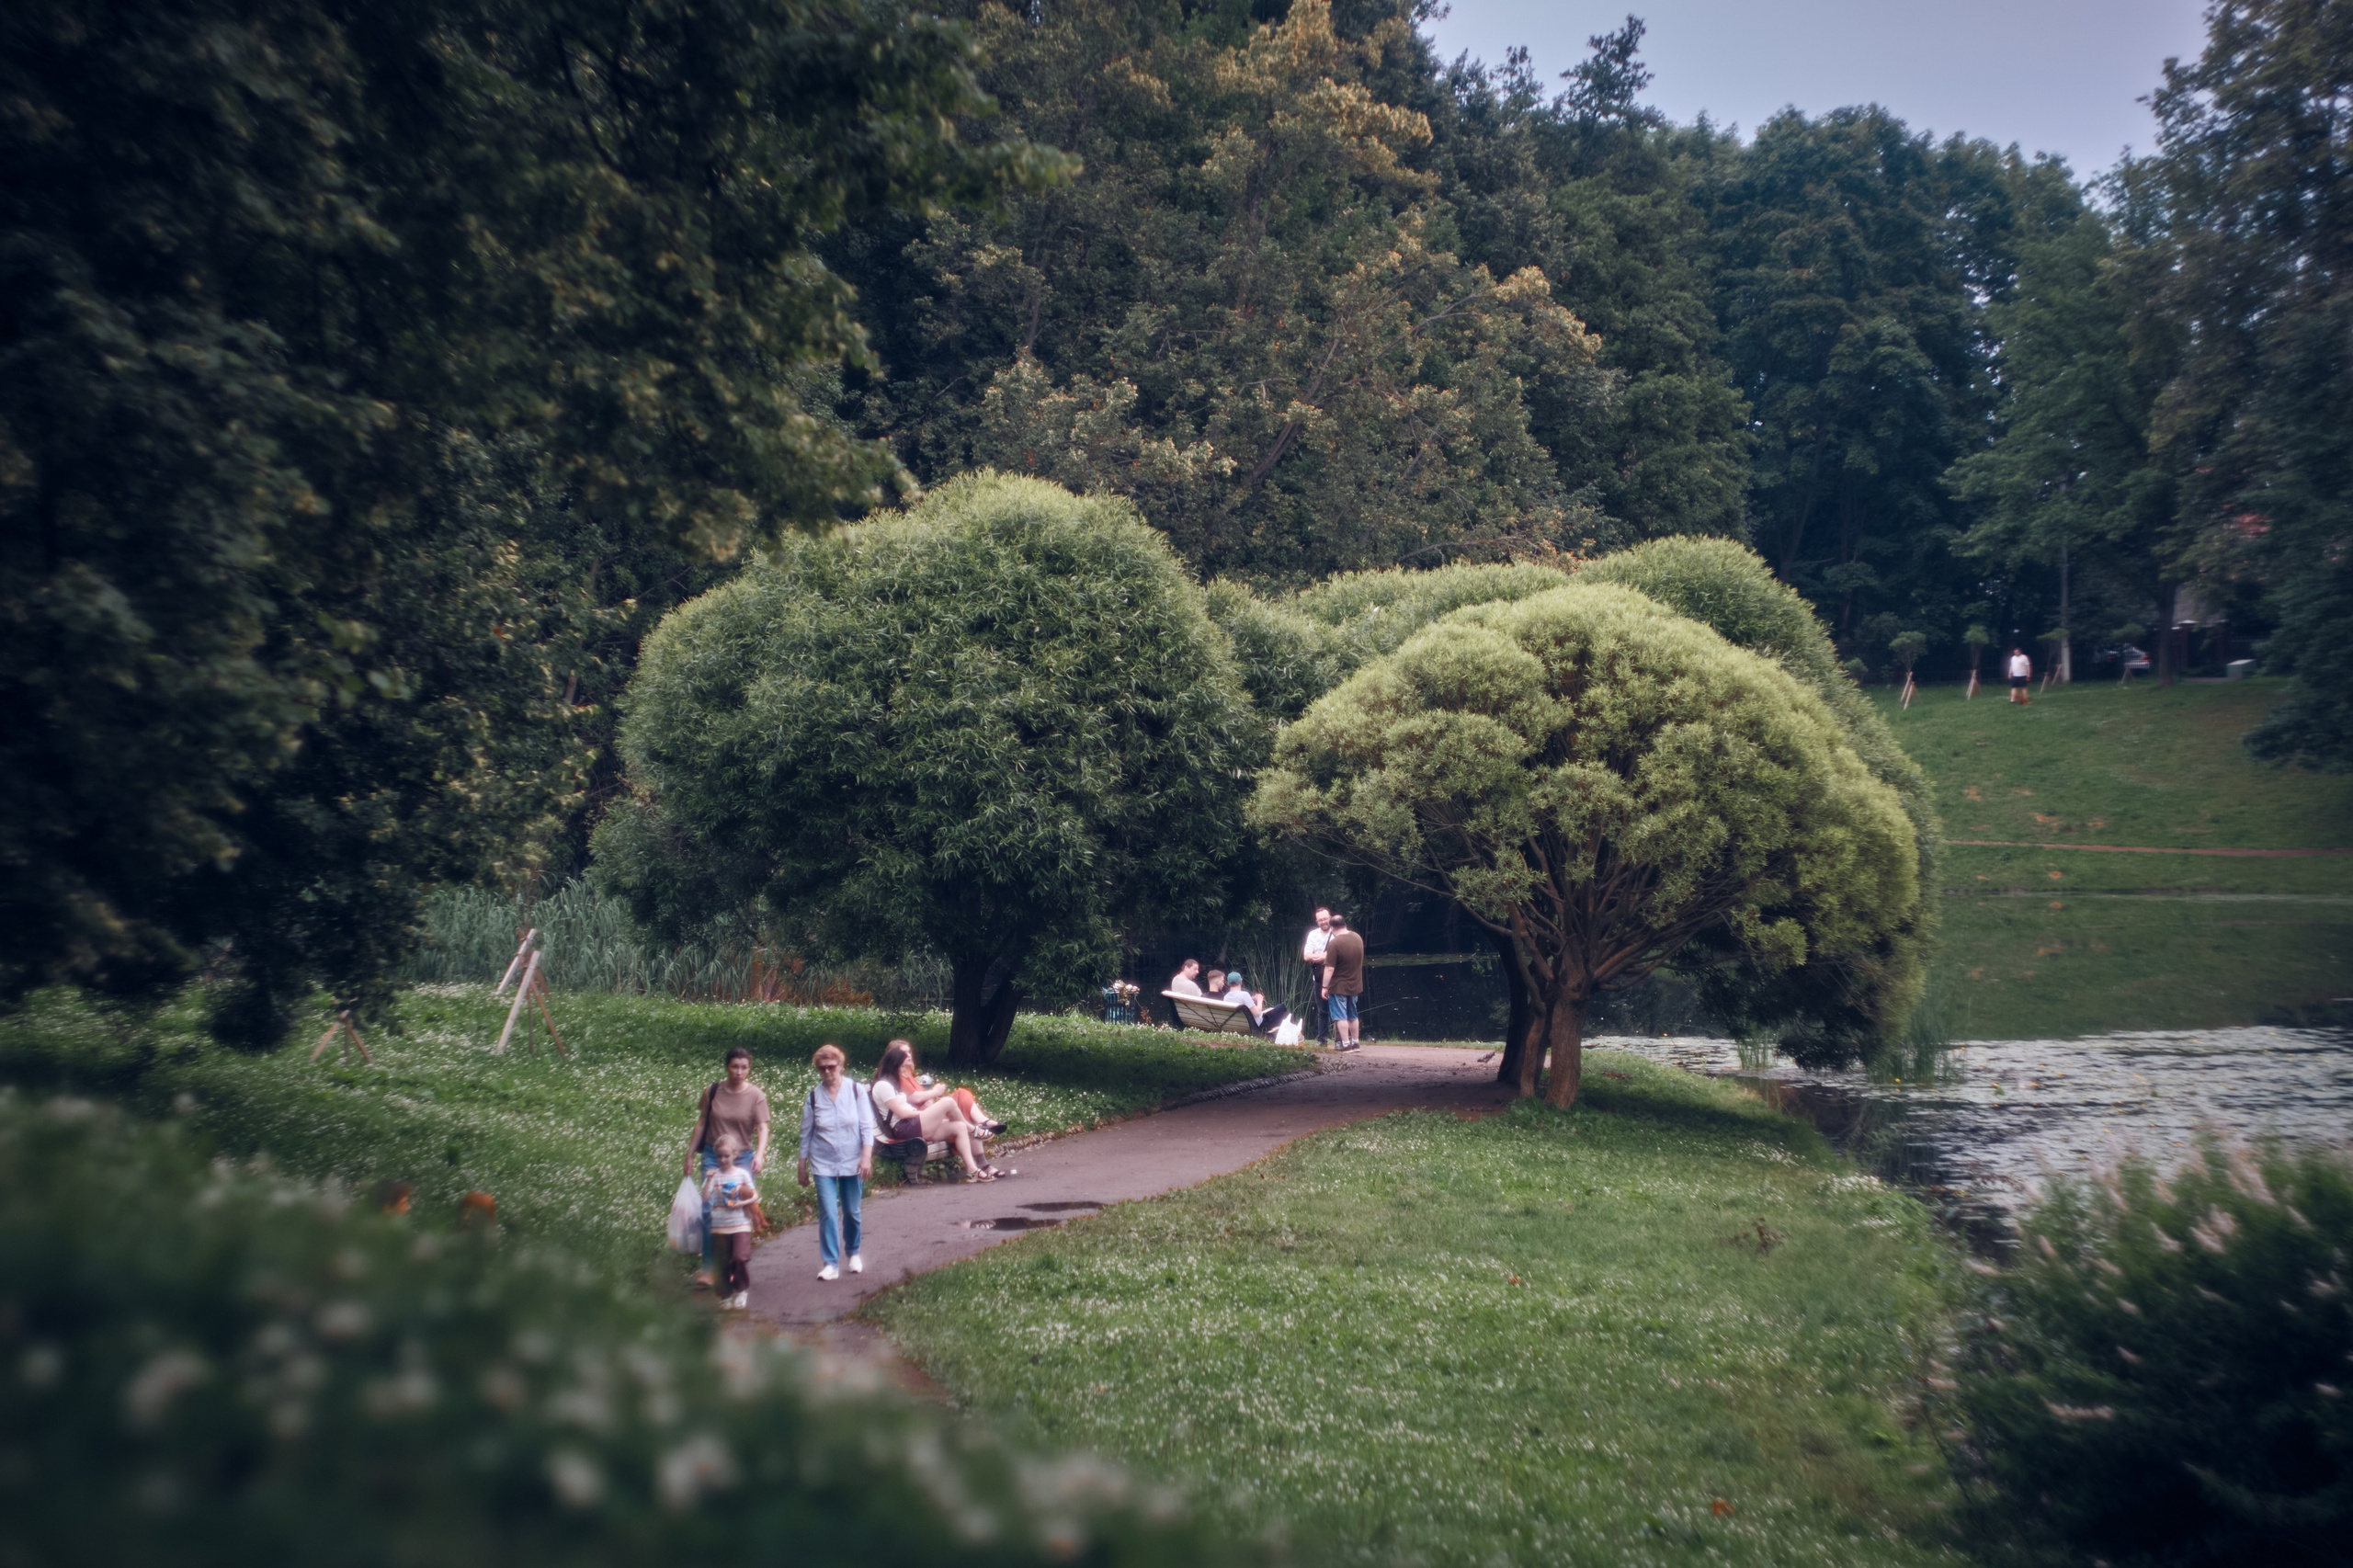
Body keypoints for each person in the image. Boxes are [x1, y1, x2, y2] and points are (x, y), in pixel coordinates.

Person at [683, 1047, 770, 1288]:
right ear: (727, 1067)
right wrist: (689, 1154)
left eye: (744, 1067)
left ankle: (735, 1262)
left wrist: (760, 1155)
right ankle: (709, 1270)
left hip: (742, 1157)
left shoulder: (756, 1096)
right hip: (713, 1155)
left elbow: (763, 1128)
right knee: (710, 1208)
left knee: (739, 1210)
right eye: (734, 1066)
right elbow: (702, 1122)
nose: (739, 1072)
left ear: (749, 1069)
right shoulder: (713, 1091)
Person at [798, 1043, 873, 1282]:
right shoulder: (813, 1097)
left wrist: (866, 1157)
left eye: (831, 1067)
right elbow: (806, 1132)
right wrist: (802, 1165)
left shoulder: (856, 1091)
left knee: (852, 1211)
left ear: (841, 1066)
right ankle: (830, 1263)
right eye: (822, 1068)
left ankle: (853, 1252)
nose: (828, 1072)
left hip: (852, 1160)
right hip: (823, 1162)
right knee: (829, 1212)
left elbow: (866, 1126)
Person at [871, 1040, 996, 1182]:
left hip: (914, 1123)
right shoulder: (883, 1085)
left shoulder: (891, 1083)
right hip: (905, 1127)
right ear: (894, 1065)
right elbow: (902, 1113)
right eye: (902, 1066)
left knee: (959, 1127)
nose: (905, 1070)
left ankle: (972, 1170)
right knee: (948, 1102)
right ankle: (972, 1129)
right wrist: (925, 1114)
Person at [890, 1037, 1006, 1134]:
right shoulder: (897, 1076)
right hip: (925, 1120)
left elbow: (921, 1098)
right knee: (958, 1098)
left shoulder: (908, 1074)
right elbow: (915, 1098)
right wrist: (935, 1092)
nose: (908, 1055)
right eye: (903, 1053)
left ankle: (982, 1122)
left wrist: (930, 1098)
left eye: (909, 1052)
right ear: (894, 1056)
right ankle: (981, 1124)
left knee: (962, 1093)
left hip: (929, 1115)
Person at [701, 1134, 758, 1310]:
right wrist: (709, 1180)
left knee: (740, 1257)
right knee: (722, 1261)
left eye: (726, 1156)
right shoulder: (715, 1176)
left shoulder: (742, 1174)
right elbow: (704, 1199)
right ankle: (724, 1295)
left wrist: (743, 1202)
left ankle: (741, 1290)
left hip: (740, 1223)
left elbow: (755, 1195)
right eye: (719, 1156)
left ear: (735, 1155)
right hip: (719, 1226)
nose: (723, 1160)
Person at [1321, 913, 1365, 1051]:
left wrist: (1324, 987)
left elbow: (1329, 969)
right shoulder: (1357, 937)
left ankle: (1345, 1045)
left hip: (1338, 986)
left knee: (1340, 1016)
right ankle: (1356, 1043)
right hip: (1355, 984)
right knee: (1353, 1015)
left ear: (1332, 928)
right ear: (1345, 924)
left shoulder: (1335, 943)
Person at [1219, 970, 1290, 1036]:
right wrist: (1260, 1000)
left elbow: (1240, 1001)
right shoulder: (1244, 995)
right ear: (1240, 982)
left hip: (1240, 1024)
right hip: (1257, 1025)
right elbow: (1257, 1013)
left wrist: (1250, 999)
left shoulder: (1226, 997)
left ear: (1228, 983)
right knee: (1281, 1007)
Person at [1302, 907, 1334, 1045]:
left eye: (1325, 918)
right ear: (1317, 921)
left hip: (1336, 978)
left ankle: (1341, 1040)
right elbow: (1306, 956)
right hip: (1319, 978)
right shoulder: (1313, 934)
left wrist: (1316, 957)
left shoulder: (1335, 933)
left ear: (1330, 917)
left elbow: (1331, 955)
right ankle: (1322, 1039)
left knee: (1338, 1009)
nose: (1323, 922)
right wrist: (1322, 957)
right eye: (1320, 919)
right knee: (1322, 1010)